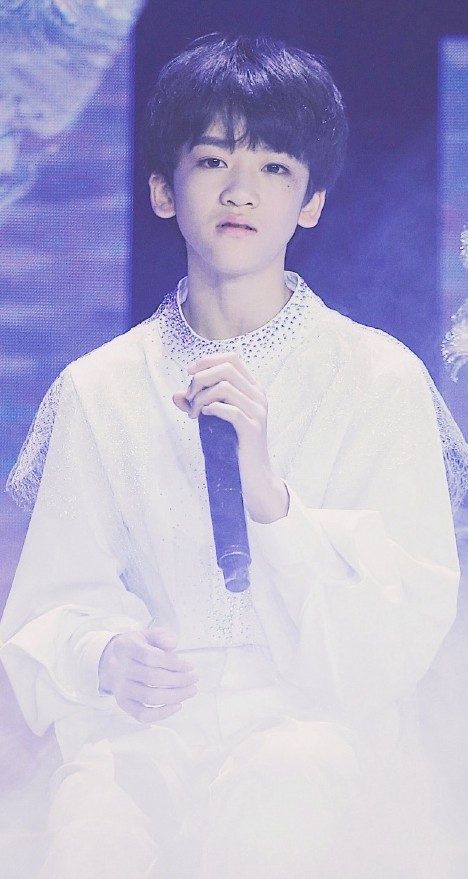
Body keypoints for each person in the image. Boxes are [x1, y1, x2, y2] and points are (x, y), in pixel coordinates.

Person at [0, 33, 466, 879]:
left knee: (283, 797)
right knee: (92, 829)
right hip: (141, 739)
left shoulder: (379, 379)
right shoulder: (98, 388)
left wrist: (271, 501)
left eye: (275, 167)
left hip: (315, 738)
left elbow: (404, 626)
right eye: (212, 159)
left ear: (312, 201)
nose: (240, 189)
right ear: (163, 189)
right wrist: (107, 655)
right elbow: (51, 604)